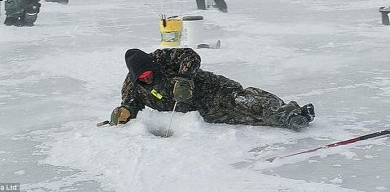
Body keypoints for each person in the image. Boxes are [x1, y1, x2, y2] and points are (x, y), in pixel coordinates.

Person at [109, 48, 315, 131]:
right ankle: (286, 117)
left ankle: (289, 113)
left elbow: (190, 56)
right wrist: (125, 112)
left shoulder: (161, 58)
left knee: (246, 103)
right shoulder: (133, 84)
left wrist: (184, 79)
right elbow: (130, 103)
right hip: (204, 110)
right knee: (247, 118)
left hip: (214, 89)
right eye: (142, 77)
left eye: (148, 73)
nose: (147, 78)